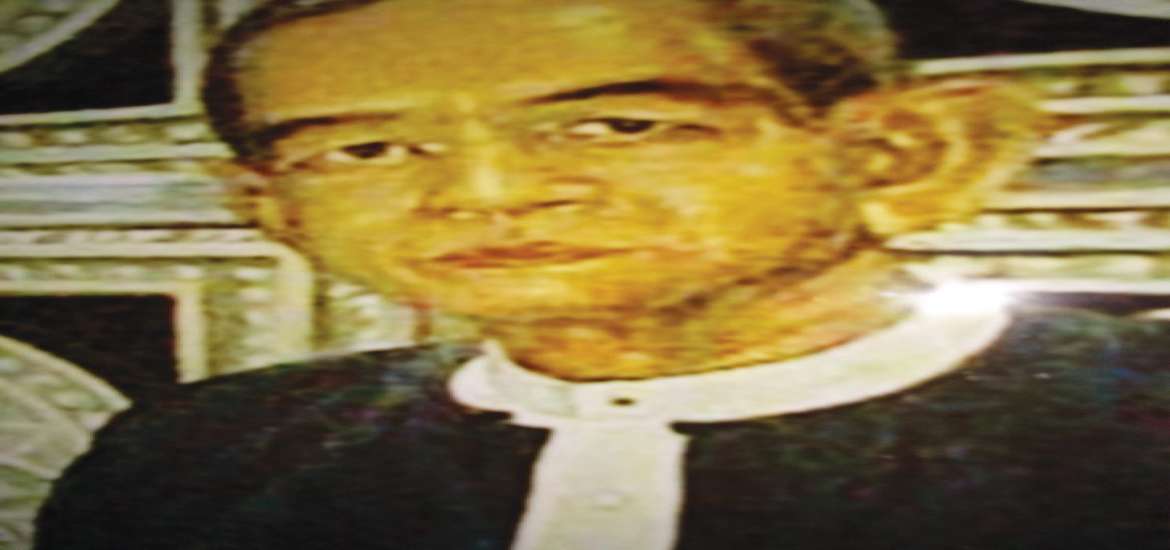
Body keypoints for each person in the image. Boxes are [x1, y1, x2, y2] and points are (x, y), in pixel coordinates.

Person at [35, 1, 1170, 549]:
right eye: (367, 151)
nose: (484, 195)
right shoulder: (201, 451)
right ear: (273, 210)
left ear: (902, 155)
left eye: (617, 126)